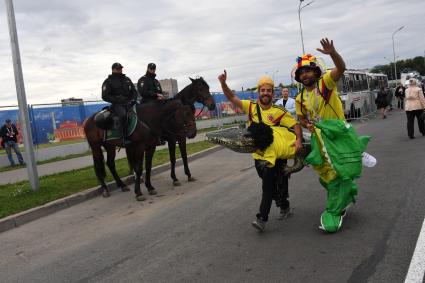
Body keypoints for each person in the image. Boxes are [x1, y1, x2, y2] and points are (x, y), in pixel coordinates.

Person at [294, 38, 370, 233]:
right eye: (302, 72)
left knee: (336, 175)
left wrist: (333, 54)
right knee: (325, 175)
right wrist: (307, 124)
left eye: (308, 70)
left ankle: (334, 212)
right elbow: (301, 118)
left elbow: (341, 68)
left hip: (337, 136)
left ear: (316, 71)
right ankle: (347, 194)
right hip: (319, 140)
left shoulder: (325, 84)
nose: (305, 74)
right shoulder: (300, 97)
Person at [218, 70, 303, 232]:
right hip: (259, 155)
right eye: (262, 90)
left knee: (268, 184)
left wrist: (298, 139)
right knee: (276, 182)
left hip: (277, 154)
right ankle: (284, 204)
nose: (265, 93)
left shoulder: (279, 112)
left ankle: (262, 218)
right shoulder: (250, 107)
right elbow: (231, 97)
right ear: (259, 92)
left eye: (268, 90)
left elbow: (295, 125)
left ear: (273, 93)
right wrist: (223, 83)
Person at [101, 62, 138, 145]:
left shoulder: (127, 79)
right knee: (123, 115)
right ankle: (123, 137)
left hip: (129, 103)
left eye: (121, 68)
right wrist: (117, 99)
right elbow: (104, 96)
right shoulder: (108, 81)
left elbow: (134, 92)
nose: (120, 70)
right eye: (118, 69)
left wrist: (133, 99)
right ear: (113, 70)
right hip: (117, 104)